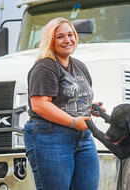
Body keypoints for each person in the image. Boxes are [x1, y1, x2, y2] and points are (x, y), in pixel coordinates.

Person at [24, 17, 102, 190]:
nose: (67, 40)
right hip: (50, 137)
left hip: (83, 137)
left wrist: (91, 108)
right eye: (60, 37)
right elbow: (40, 105)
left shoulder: (79, 66)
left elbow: (72, 100)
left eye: (70, 35)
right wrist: (74, 121)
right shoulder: (45, 66)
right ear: (50, 41)